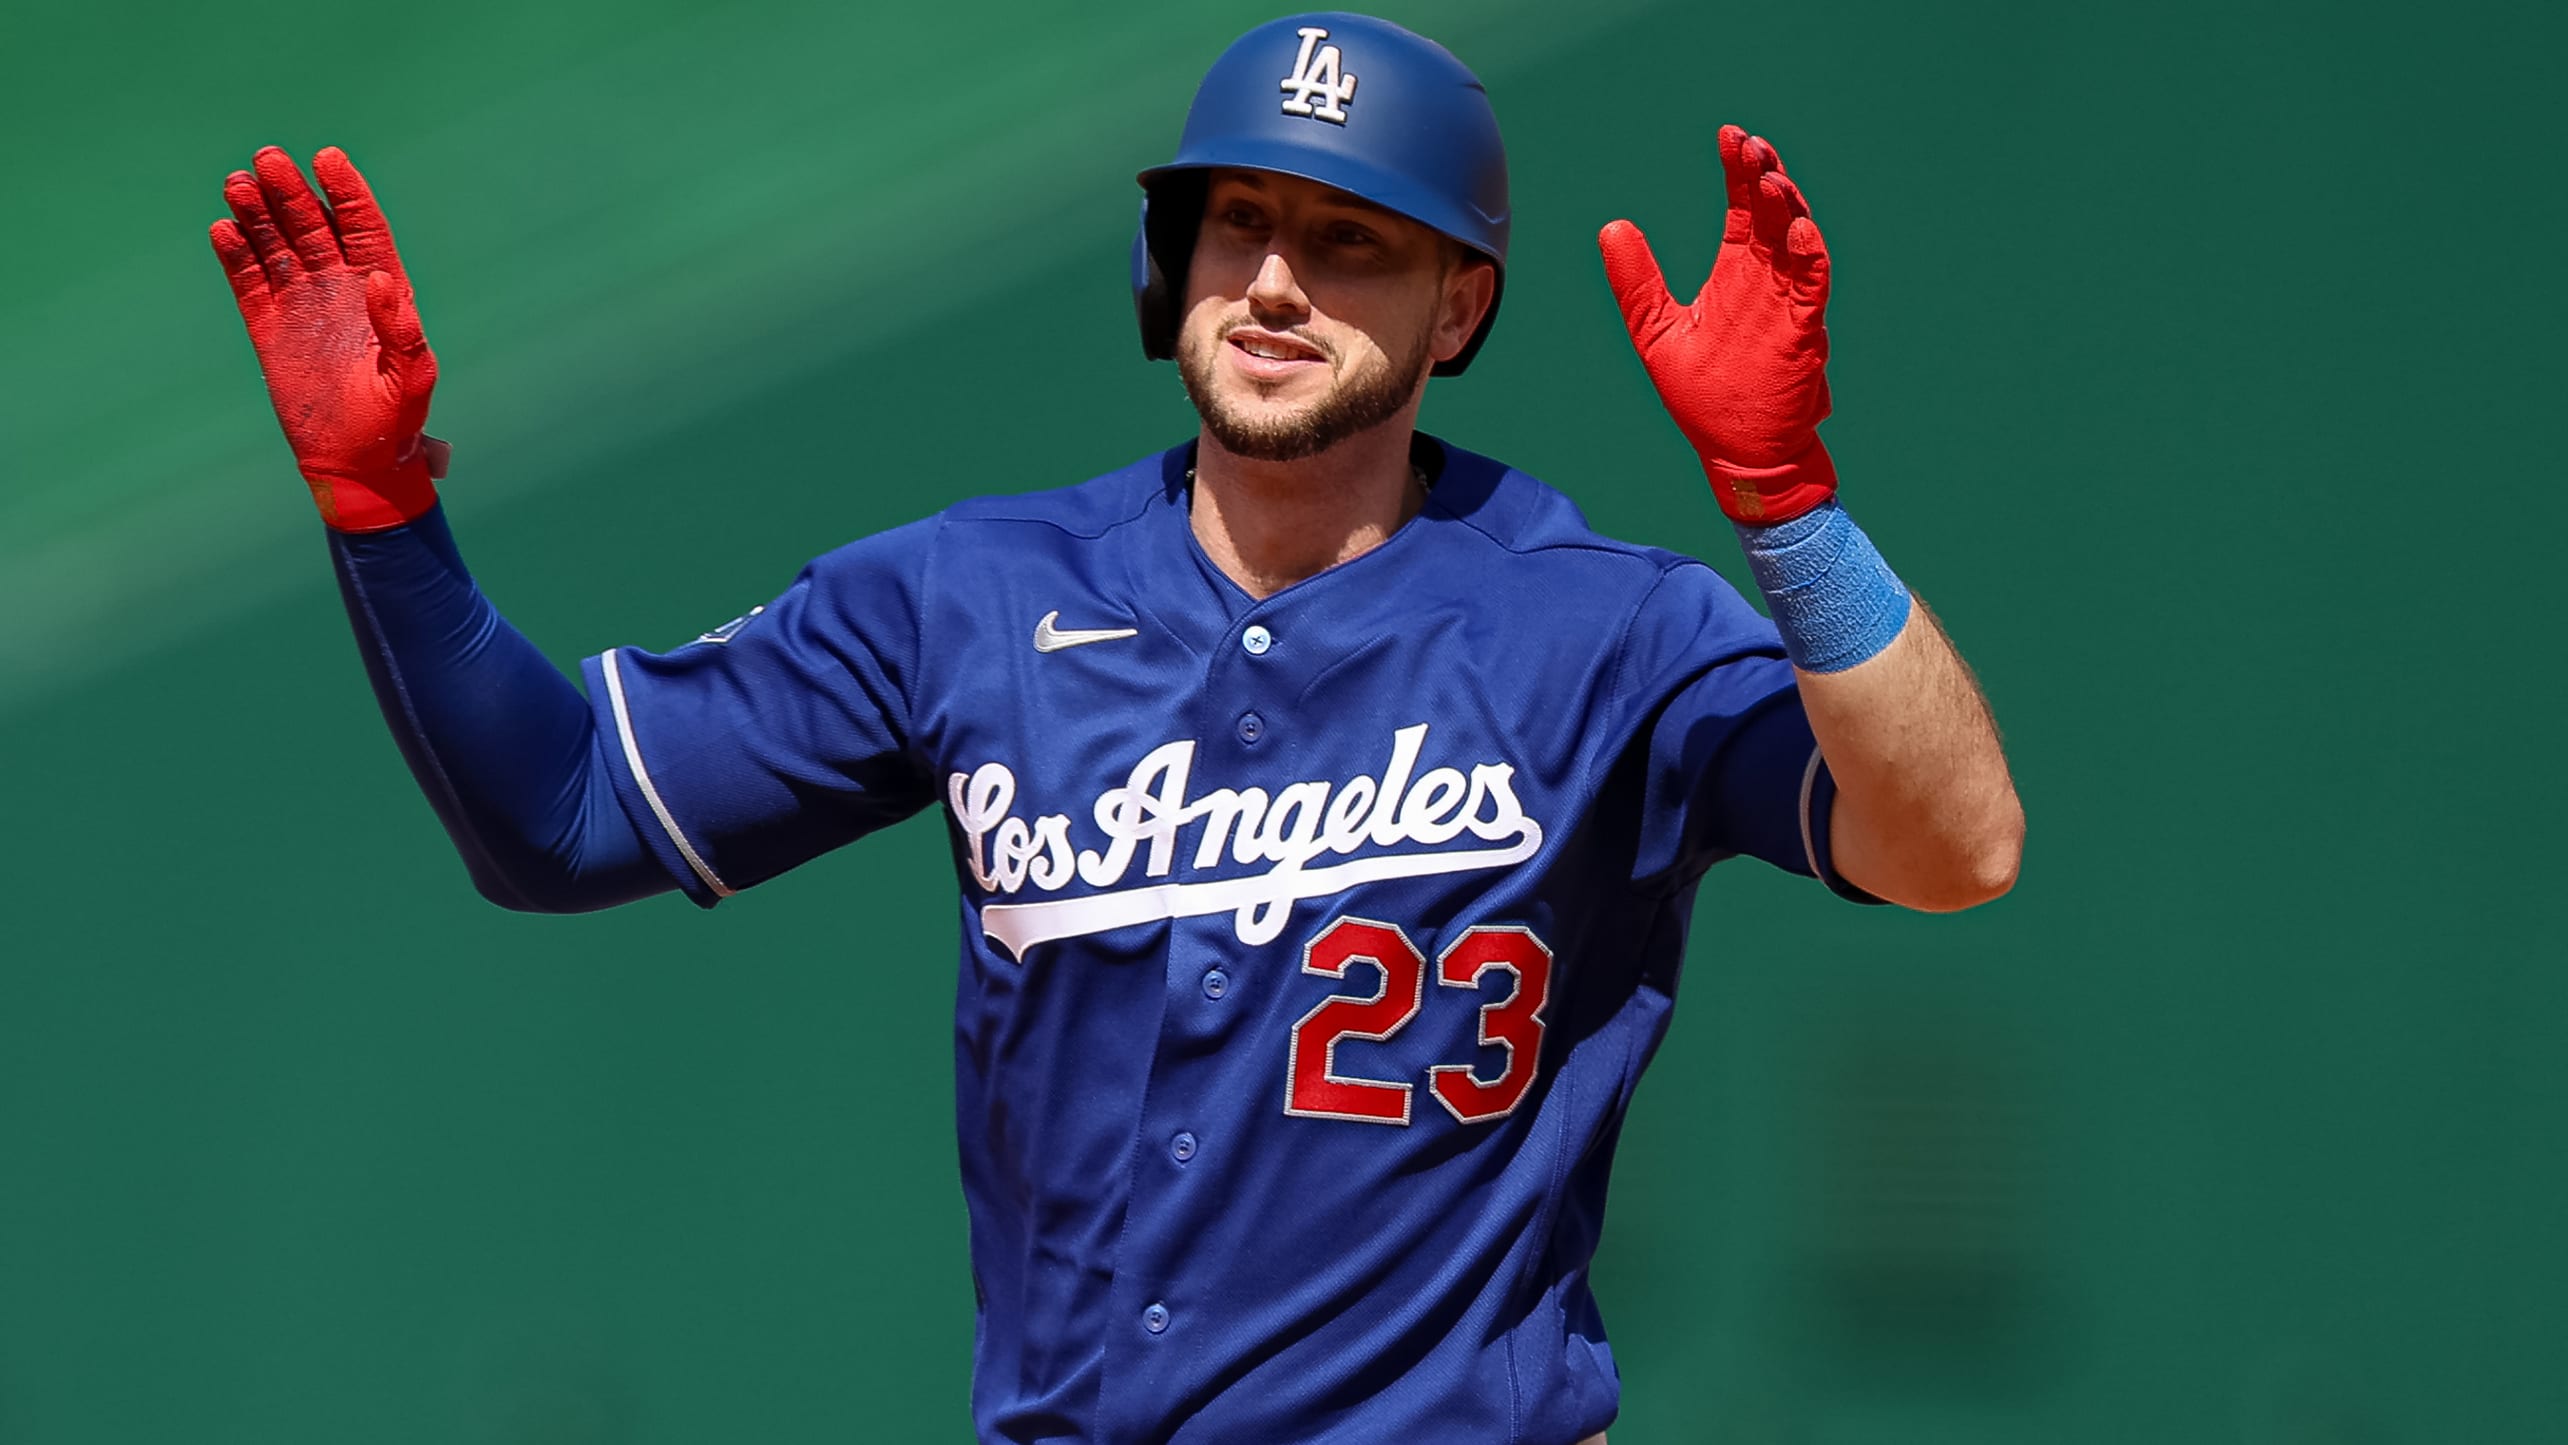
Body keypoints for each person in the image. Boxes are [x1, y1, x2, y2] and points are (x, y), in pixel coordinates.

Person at [208, 13, 2020, 1443]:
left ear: (1461, 302)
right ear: (1171, 258)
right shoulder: (970, 593)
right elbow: (568, 814)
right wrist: (387, 518)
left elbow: (1954, 849)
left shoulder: (1601, 621)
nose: (1278, 283)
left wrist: (1787, 505)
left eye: (1350, 240)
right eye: (1239, 221)